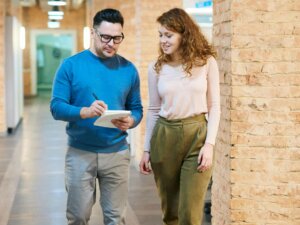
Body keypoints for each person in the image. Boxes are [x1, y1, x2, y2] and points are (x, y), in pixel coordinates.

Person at [50, 8, 143, 225]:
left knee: (115, 218)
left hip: (117, 154)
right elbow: (56, 107)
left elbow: (137, 108)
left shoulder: (129, 69)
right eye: (106, 37)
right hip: (80, 153)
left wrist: (131, 121)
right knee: (78, 217)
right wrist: (86, 111)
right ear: (93, 33)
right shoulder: (70, 66)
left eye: (117, 38)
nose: (111, 43)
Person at [139, 7, 220, 225]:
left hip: (197, 135)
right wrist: (146, 149)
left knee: (190, 214)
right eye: (160, 35)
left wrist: (210, 145)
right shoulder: (156, 68)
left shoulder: (206, 62)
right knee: (171, 212)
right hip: (165, 136)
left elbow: (214, 106)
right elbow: (154, 109)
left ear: (184, 35)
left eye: (168, 35)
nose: (163, 41)